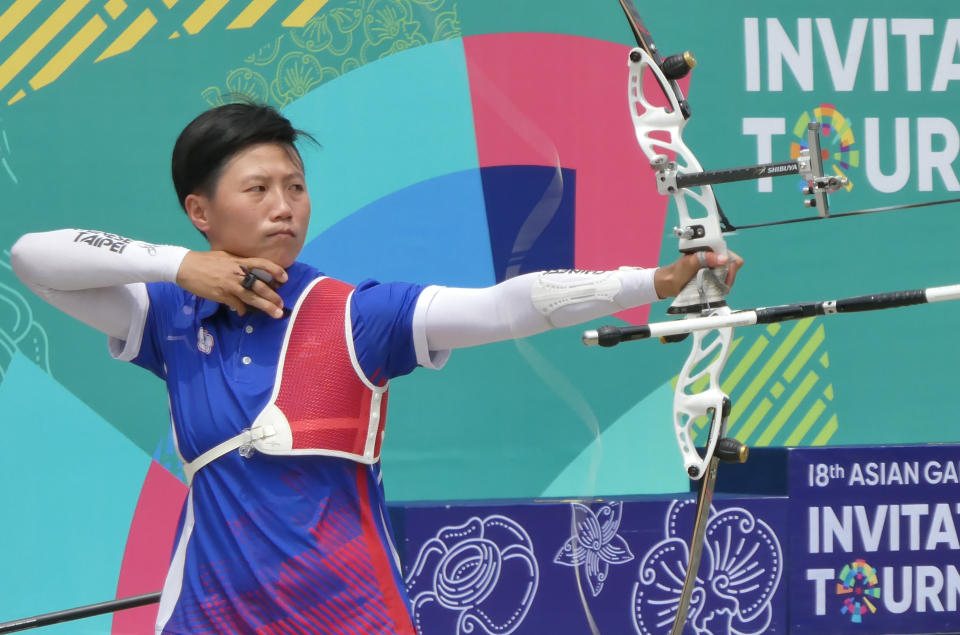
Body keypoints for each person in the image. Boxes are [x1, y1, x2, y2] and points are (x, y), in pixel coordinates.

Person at [10, 103, 743, 634]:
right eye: (257, 188)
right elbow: (33, 258)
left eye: (295, 186)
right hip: (207, 619)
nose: (284, 206)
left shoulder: (357, 315)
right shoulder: (169, 317)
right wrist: (180, 267)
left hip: (351, 616)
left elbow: (506, 307)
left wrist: (653, 283)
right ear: (199, 210)